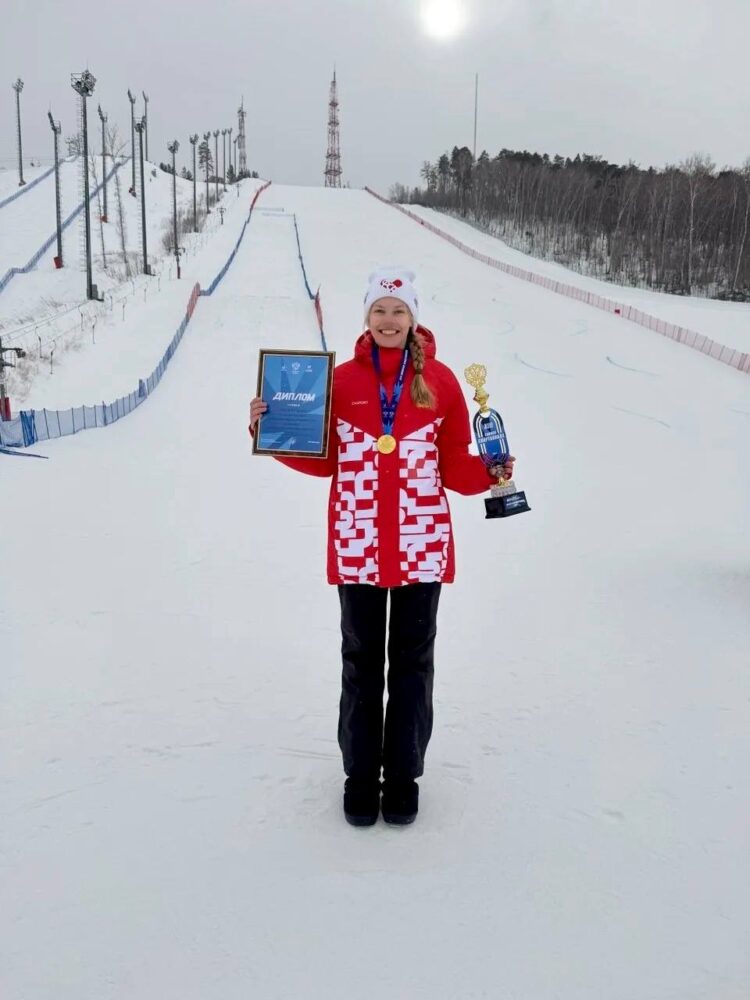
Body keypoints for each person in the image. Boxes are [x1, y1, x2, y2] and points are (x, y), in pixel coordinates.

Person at [249, 267, 515, 827]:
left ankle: (402, 779)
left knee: (414, 666)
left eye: (398, 311)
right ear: (366, 318)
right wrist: (271, 437)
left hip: (421, 546)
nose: (389, 320)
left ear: (413, 318)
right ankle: (360, 777)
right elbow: (325, 461)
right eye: (379, 310)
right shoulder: (341, 381)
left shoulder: (440, 382)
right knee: (362, 664)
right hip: (358, 546)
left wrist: (492, 472)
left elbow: (453, 469)